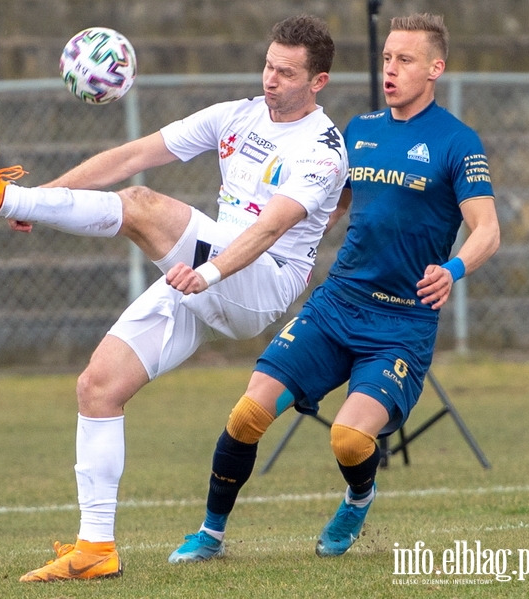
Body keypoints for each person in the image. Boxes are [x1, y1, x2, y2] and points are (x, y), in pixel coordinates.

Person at [0, 15, 348, 581]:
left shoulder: (323, 148)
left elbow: (269, 232)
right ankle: (95, 550)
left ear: (318, 82)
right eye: (268, 65)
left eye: (286, 73)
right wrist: (49, 194)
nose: (271, 79)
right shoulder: (236, 115)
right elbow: (131, 155)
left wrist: (208, 275)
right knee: (97, 387)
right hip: (208, 268)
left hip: (260, 281)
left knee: (140, 205)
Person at [165, 13, 500, 563]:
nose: (390, 69)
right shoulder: (359, 132)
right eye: (387, 58)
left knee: (347, 439)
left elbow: (487, 229)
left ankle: (358, 497)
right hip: (337, 305)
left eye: (405, 60)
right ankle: (210, 534)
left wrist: (454, 269)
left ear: (436, 68)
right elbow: (331, 202)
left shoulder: (457, 143)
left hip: (401, 323)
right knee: (248, 414)